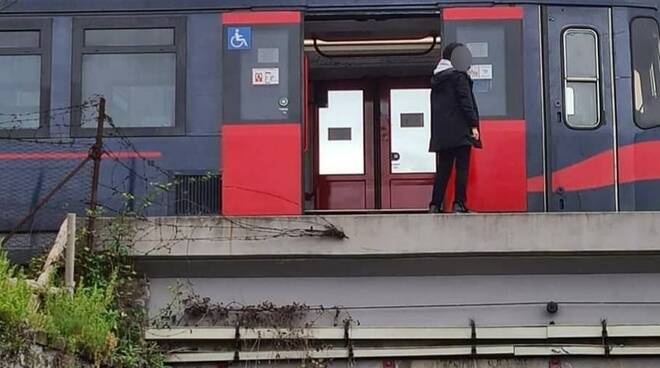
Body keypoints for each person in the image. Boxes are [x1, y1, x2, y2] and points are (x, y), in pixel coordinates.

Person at [428, 42, 480, 213]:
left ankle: (435, 205)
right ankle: (459, 204)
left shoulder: (437, 79)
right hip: (459, 130)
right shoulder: (459, 77)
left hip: (442, 133)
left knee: (443, 169)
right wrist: (473, 124)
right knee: (462, 167)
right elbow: (466, 102)